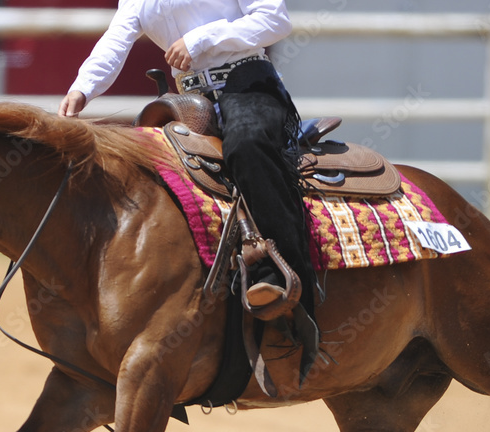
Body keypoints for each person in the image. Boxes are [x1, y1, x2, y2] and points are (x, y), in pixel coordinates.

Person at [59, 0, 316, 322]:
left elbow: (275, 20)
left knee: (246, 146)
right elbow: (115, 41)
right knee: (146, 167)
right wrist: (83, 88)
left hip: (248, 83)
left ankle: (283, 275)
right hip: (189, 101)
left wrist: (200, 39)